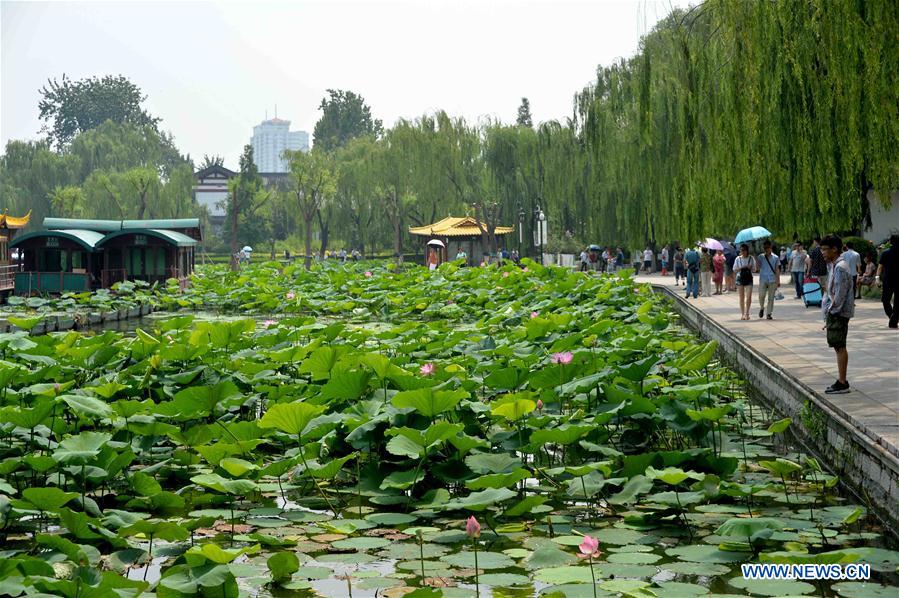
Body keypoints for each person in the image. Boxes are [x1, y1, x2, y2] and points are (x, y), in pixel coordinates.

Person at [820, 235, 855, 394]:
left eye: (825, 249)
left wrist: (832, 312)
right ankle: (841, 380)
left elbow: (840, 294)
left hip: (839, 313)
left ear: (834, 249)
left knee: (839, 346)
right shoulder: (834, 265)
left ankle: (842, 382)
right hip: (836, 312)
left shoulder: (840, 267)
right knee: (837, 345)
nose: (823, 253)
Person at [875, 234, 898, 328]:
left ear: (890, 242)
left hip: (888, 279)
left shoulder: (886, 253)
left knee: (885, 300)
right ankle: (894, 318)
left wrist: (877, 278)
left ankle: (892, 317)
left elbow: (880, 267)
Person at [756, 240, 781, 319]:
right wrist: (757, 261)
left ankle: (769, 313)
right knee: (761, 295)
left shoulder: (775, 257)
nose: (766, 249)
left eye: (767, 247)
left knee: (771, 298)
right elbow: (757, 268)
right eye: (764, 248)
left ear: (770, 247)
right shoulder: (760, 257)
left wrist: (778, 280)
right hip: (763, 278)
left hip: (772, 279)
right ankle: (762, 307)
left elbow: (777, 269)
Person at [733, 244, 756, 320]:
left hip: (749, 278)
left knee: (749, 296)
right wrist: (742, 267)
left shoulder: (751, 258)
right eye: (741, 250)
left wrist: (750, 267)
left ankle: (747, 313)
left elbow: (755, 269)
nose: (742, 251)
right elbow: (734, 269)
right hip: (740, 278)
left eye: (744, 250)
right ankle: (742, 314)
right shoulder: (738, 259)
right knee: (741, 297)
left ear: (747, 250)